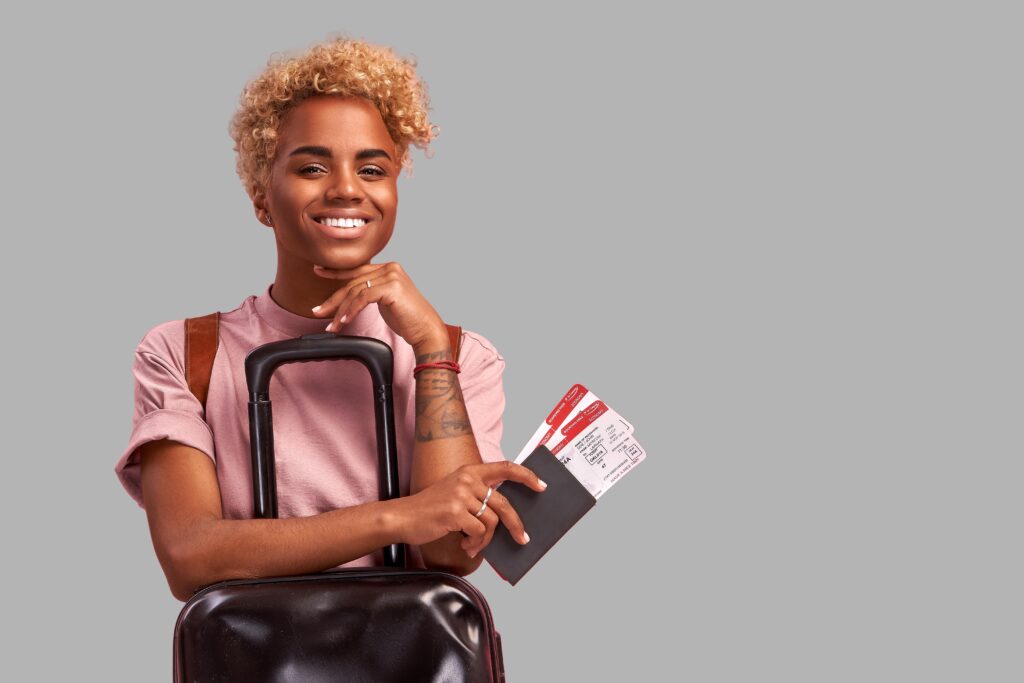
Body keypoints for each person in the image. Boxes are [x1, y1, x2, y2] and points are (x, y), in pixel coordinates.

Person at [114, 36, 546, 602]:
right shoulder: (185, 353)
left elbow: (448, 551)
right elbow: (190, 557)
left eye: (372, 169)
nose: (346, 189)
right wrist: (398, 518)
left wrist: (432, 352)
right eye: (313, 166)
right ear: (260, 195)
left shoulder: (462, 355)